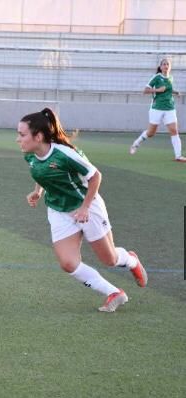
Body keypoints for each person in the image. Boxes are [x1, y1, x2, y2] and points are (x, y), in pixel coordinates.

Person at [17, 108, 148, 312]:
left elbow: (95, 176)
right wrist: (38, 191)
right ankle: (114, 293)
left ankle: (131, 260)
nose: (18, 139)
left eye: (22, 134)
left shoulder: (65, 154)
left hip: (86, 207)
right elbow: (42, 174)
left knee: (109, 259)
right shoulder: (30, 156)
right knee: (68, 263)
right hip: (58, 210)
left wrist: (85, 207)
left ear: (39, 136)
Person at [130, 58, 186, 162]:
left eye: (167, 64)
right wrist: (157, 90)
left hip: (170, 108)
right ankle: (136, 143)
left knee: (174, 130)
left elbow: (167, 90)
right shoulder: (156, 77)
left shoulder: (171, 78)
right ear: (160, 67)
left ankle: (178, 156)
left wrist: (175, 92)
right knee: (151, 133)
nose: (166, 66)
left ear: (170, 66)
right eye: (164, 64)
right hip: (157, 108)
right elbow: (145, 90)